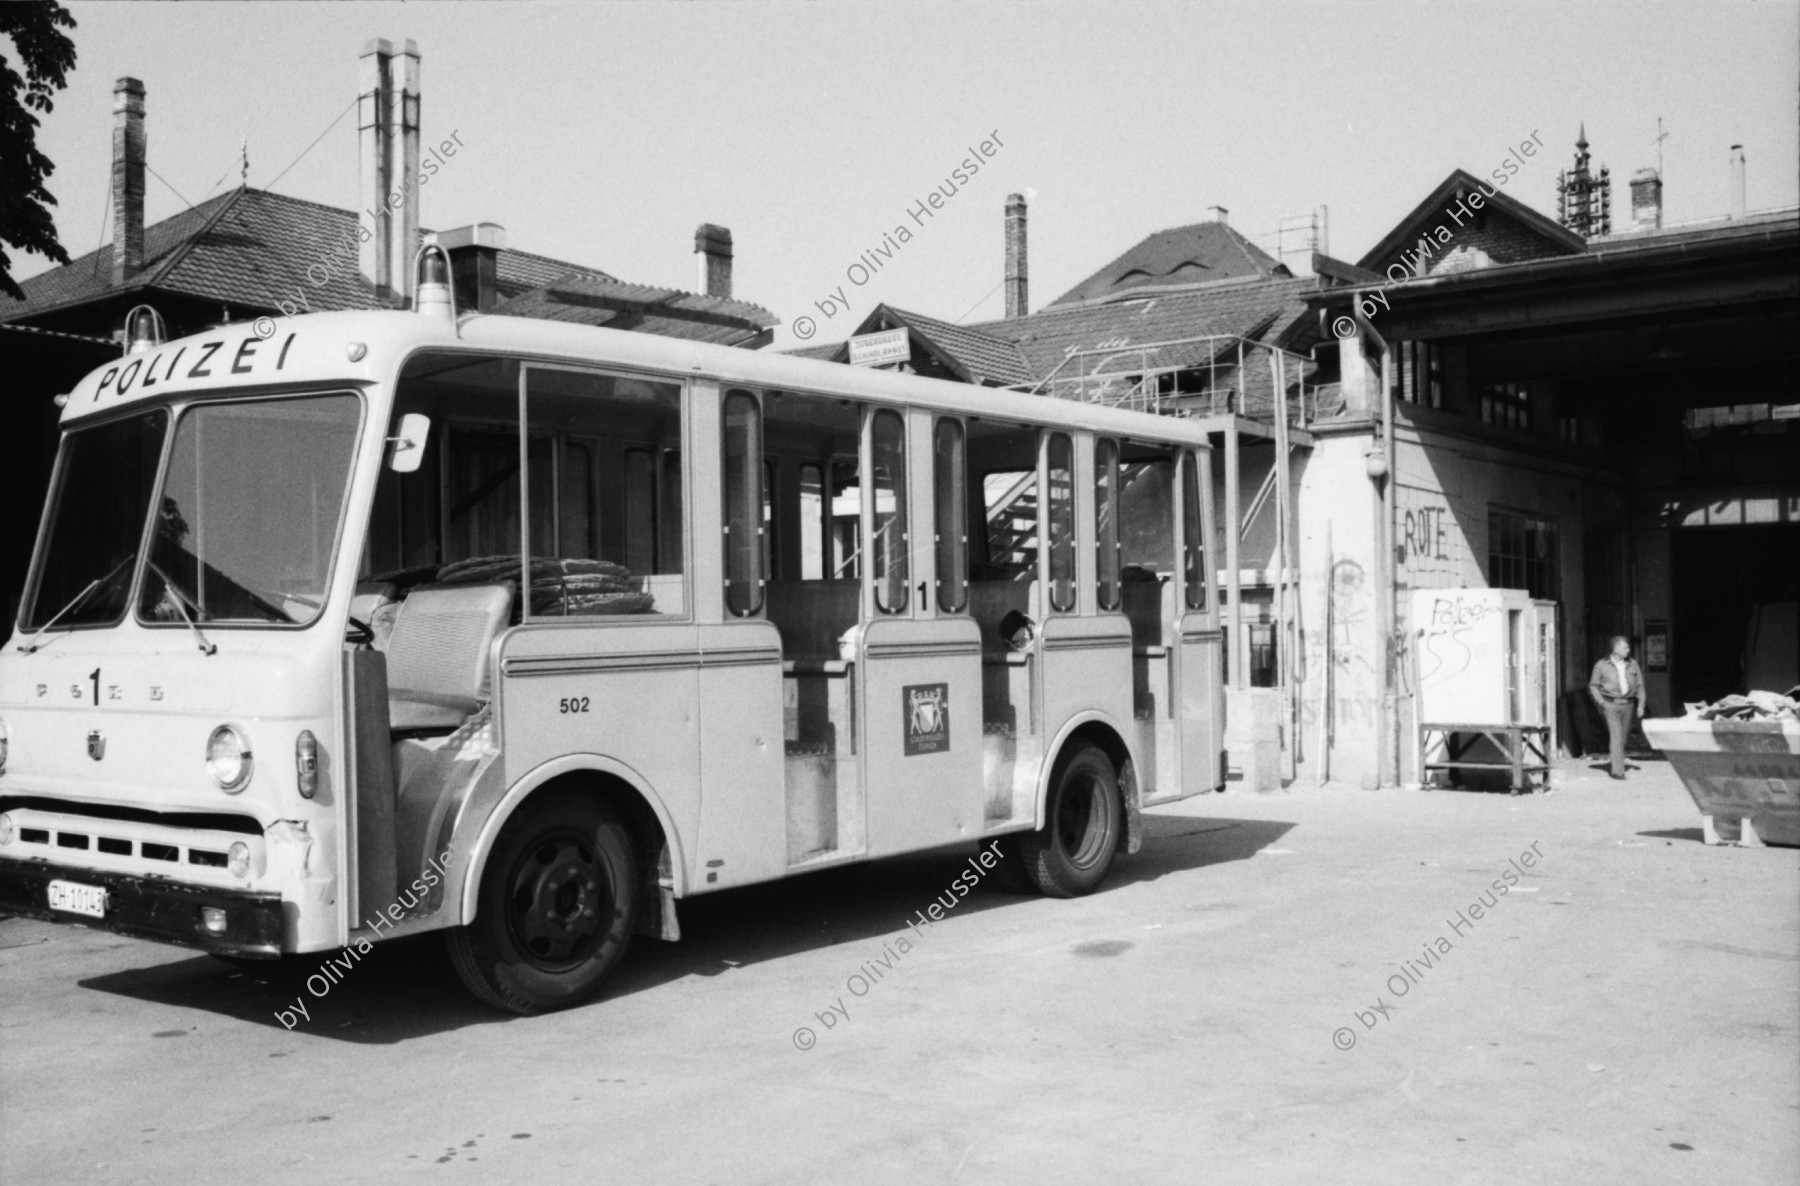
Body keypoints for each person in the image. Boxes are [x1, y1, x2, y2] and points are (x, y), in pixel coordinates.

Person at [1588, 635, 1646, 780]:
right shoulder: (1601, 665)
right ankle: (1617, 771)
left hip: (1628, 704)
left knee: (1623, 738)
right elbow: (1593, 686)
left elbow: (1640, 685)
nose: (1629, 650)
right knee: (1616, 736)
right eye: (1625, 647)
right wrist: (1602, 702)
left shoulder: (1633, 664)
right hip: (1611, 704)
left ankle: (1617, 762)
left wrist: (1641, 704)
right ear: (1615, 649)